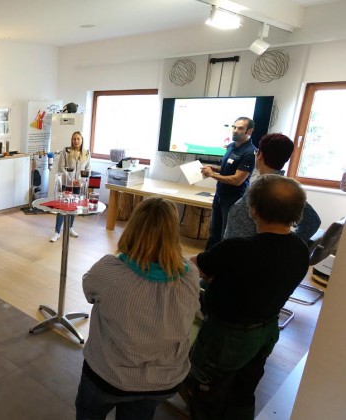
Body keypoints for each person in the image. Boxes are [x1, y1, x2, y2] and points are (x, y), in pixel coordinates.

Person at [183, 174, 310, 420]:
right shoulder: (300, 249)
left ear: (253, 210)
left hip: (225, 336)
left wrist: (214, 279)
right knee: (244, 390)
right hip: (267, 331)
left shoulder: (235, 248)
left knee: (204, 390)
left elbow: (193, 266)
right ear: (298, 212)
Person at [76, 197, 200, 419]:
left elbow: (89, 291)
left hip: (108, 375)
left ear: (133, 227)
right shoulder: (189, 275)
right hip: (162, 380)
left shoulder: (110, 271)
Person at [224, 133, 321, 241]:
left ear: (260, 155)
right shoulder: (266, 184)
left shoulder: (275, 189)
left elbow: (312, 221)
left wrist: (286, 244)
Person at [202, 117, 256, 249]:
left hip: (233, 199)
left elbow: (237, 180)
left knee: (225, 234)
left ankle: (221, 260)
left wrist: (212, 175)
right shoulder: (231, 146)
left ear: (250, 131)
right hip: (219, 194)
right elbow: (227, 169)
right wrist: (214, 168)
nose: (235, 130)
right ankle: (208, 258)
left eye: (240, 128)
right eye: (234, 127)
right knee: (214, 231)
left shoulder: (250, 152)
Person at [50, 131, 90, 242]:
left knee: (74, 207)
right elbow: (61, 167)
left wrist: (80, 181)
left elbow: (88, 169)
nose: (76, 141)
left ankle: (70, 227)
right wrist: (70, 180)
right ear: (72, 140)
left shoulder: (86, 153)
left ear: (82, 140)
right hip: (66, 184)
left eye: (78, 139)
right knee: (62, 207)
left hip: (78, 185)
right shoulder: (66, 151)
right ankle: (57, 232)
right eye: (74, 139)